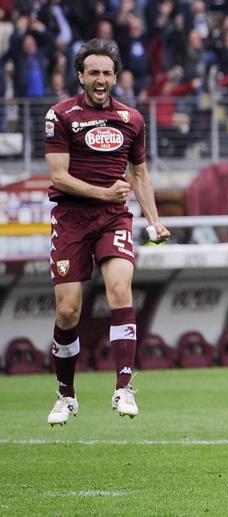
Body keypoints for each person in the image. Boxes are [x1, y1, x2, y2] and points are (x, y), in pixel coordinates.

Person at [44, 39, 171, 426]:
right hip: (71, 218)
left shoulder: (131, 119)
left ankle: (124, 386)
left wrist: (154, 219)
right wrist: (102, 192)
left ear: (116, 77)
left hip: (113, 218)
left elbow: (139, 174)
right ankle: (66, 394)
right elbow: (58, 176)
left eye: (107, 73)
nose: (100, 79)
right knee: (68, 310)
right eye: (93, 72)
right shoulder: (60, 116)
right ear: (80, 76)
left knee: (119, 289)